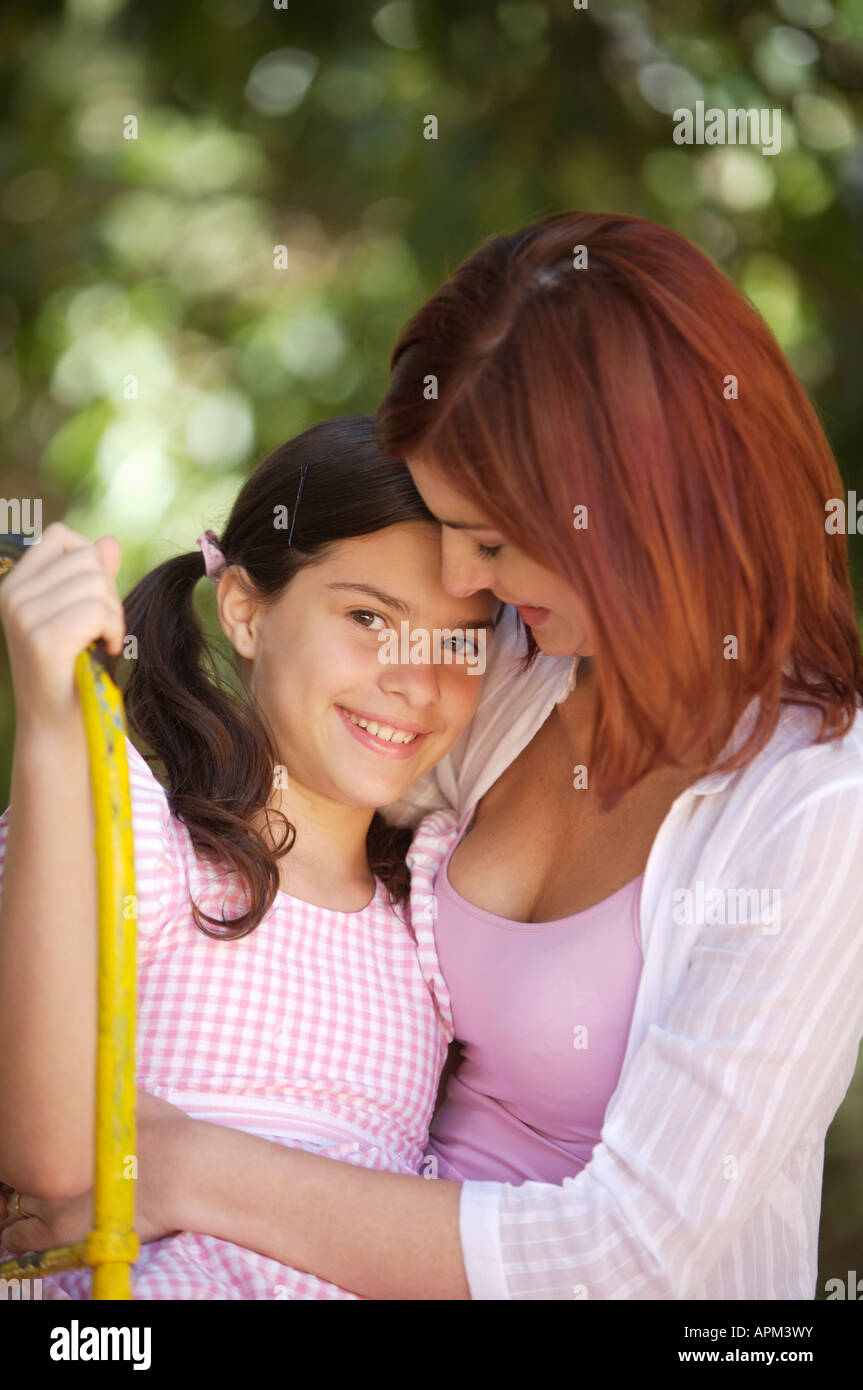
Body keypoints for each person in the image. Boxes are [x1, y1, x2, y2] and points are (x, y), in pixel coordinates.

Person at [4, 210, 863, 1300]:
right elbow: (300, 757)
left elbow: (628, 1256)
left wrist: (181, 1161)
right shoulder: (516, 673)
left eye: (492, 540)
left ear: (631, 520)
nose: (467, 578)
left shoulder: (812, 807)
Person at [0, 413, 496, 1298]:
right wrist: (49, 727)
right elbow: (45, 1153)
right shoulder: (134, 839)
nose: (415, 681)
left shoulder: (436, 907)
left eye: (459, 641)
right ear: (246, 610)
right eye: (368, 617)